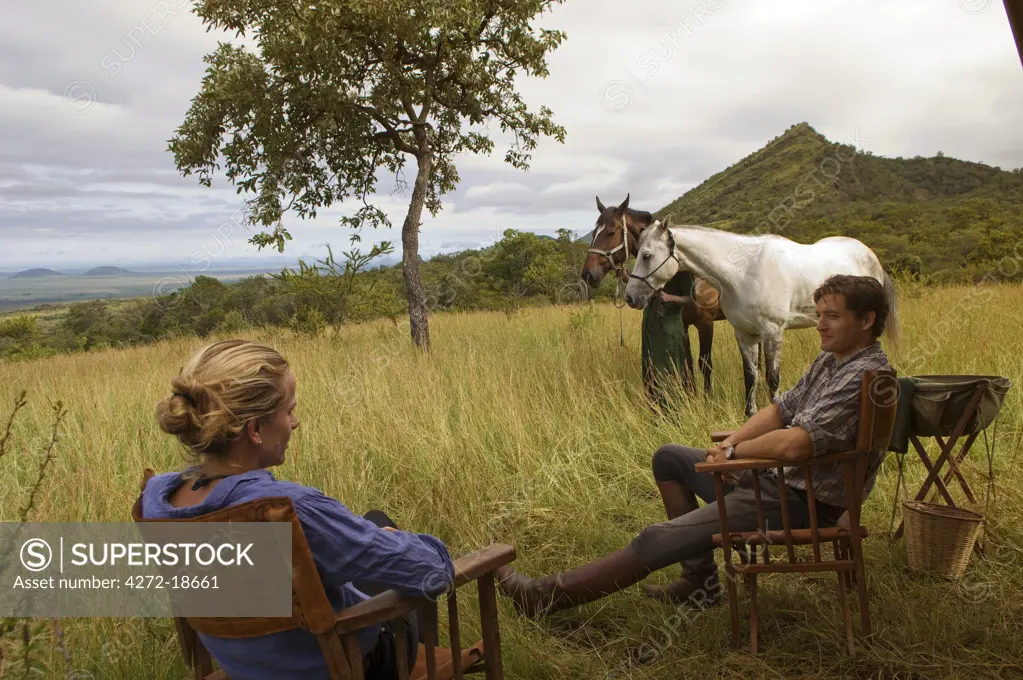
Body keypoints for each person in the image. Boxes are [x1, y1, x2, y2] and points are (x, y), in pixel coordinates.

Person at [497, 274, 893, 615]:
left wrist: (735, 454)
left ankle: (542, 598)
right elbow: (780, 409)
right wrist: (734, 440)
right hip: (774, 481)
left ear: (867, 320)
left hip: (798, 502)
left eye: (832, 316)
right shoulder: (833, 360)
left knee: (657, 536)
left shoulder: (865, 376)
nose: (820, 325)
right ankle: (698, 581)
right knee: (669, 458)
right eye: (819, 314)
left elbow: (796, 445)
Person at [138, 339, 454, 680]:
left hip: (248, 670)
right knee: (383, 531)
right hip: (347, 665)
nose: (295, 422)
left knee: (370, 523)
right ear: (255, 429)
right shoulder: (291, 510)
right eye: (288, 411)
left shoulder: (157, 501)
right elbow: (434, 572)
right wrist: (399, 542)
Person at [641, 271, 697, 407]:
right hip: (650, 327)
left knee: (670, 372)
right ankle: (656, 411)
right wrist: (627, 278)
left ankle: (673, 412)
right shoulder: (653, 267)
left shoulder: (682, 272)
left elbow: (693, 300)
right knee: (649, 370)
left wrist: (670, 297)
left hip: (669, 329)